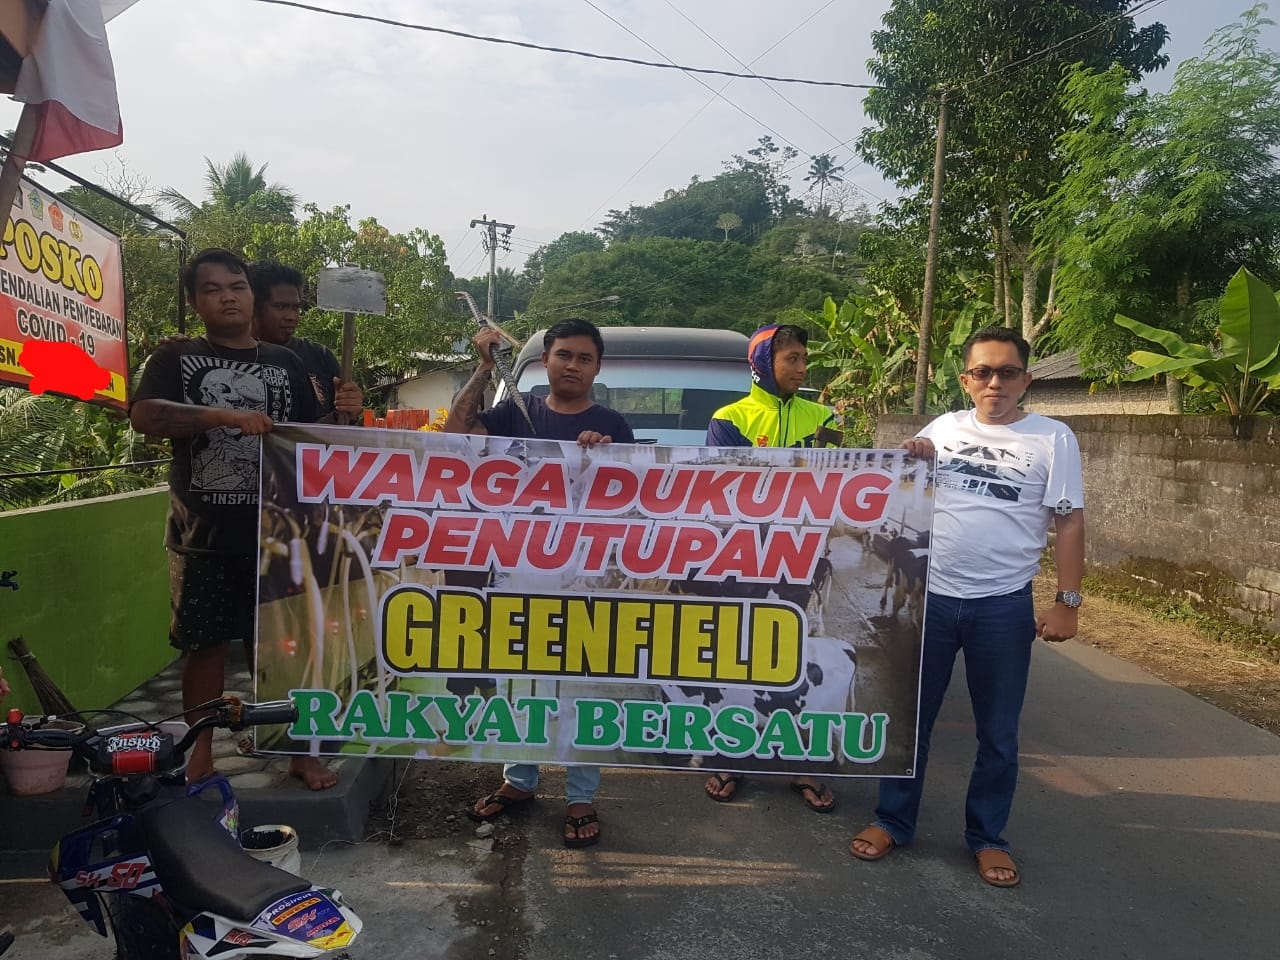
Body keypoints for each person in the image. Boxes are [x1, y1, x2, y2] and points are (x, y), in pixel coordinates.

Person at [848, 326, 1085, 888]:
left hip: (1002, 607)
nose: (994, 382)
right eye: (982, 372)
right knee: (913, 721)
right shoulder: (944, 427)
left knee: (998, 734)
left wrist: (1066, 603)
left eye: (1006, 372)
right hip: (930, 600)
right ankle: (892, 819)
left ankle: (987, 837)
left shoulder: (1054, 438)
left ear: (1027, 380)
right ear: (965, 380)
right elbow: (902, 484)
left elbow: (1069, 520)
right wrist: (913, 456)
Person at [130, 248, 338, 790]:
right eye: (213, 288)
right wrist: (222, 416)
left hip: (277, 535)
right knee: (206, 649)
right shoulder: (175, 359)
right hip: (203, 536)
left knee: (286, 650)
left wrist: (345, 414)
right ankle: (199, 754)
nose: (228, 296)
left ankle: (299, 750)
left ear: (251, 294)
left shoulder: (285, 362)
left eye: (237, 286)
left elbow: (312, 440)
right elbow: (146, 416)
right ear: (194, 300)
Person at [443, 318, 635, 848]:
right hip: (515, 574)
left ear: (597, 367)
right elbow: (456, 436)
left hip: (583, 578)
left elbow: (631, 505)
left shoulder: (612, 425)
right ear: (545, 360)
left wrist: (601, 458)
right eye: (563, 355)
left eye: (584, 358)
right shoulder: (513, 412)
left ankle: (580, 795)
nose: (572, 365)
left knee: (579, 685)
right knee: (517, 681)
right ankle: (519, 780)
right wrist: (483, 367)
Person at [702, 323, 842, 812]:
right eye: (792, 360)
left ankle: (798, 760)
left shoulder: (823, 415)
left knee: (790, 649)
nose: (802, 369)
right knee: (738, 649)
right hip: (741, 555)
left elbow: (843, 476)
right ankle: (731, 754)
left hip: (801, 555)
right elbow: (722, 487)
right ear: (762, 363)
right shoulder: (729, 418)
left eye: (805, 359)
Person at [247, 259, 363, 424]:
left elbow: (322, 434)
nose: (291, 317)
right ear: (251, 306)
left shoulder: (320, 357)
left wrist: (347, 411)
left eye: (295, 308)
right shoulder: (230, 357)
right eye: (279, 307)